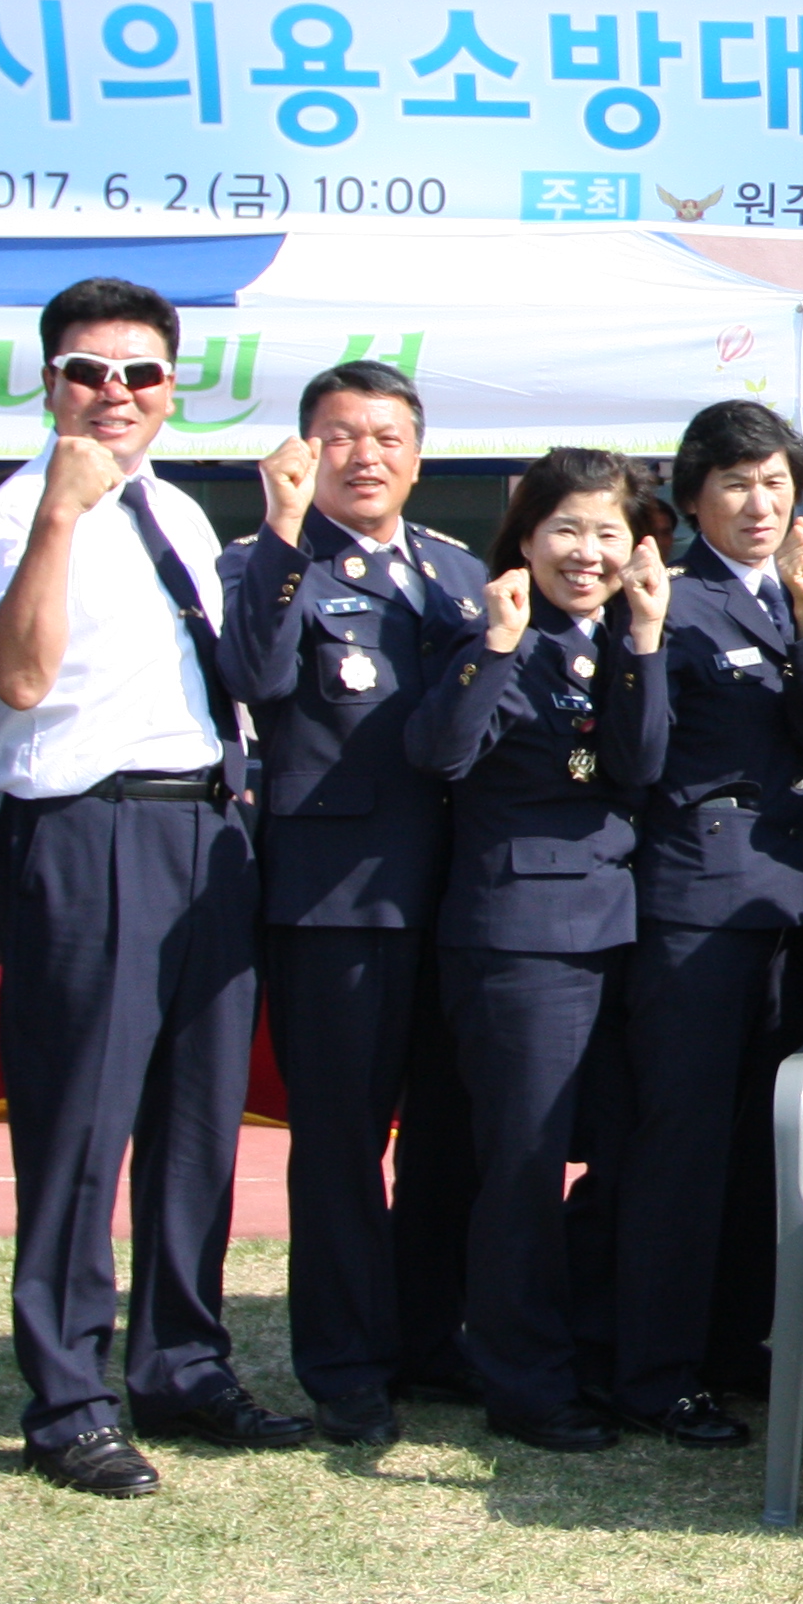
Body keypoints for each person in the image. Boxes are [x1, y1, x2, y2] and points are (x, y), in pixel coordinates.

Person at [0, 277, 306, 1496]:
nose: (116, 393)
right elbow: (16, 683)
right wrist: (61, 517)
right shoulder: (12, 516)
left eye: (140, 373)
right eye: (89, 372)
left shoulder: (182, 513)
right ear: (48, 383)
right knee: (80, 1129)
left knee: (199, 1126)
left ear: (171, 388)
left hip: (205, 833)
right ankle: (67, 1401)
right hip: (87, 829)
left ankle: (181, 1365)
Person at [218, 358, 493, 1449]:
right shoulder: (269, 561)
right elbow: (255, 678)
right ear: (305, 450)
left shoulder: (460, 573)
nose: (365, 455)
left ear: (418, 456)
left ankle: (428, 1337)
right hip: (336, 900)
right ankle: (344, 1362)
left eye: (387, 437)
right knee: (339, 1143)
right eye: (341, 435)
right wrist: (283, 536)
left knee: (446, 1138)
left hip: (461, 897)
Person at [409, 448, 675, 1452]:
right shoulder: (498, 635)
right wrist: (496, 646)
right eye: (566, 529)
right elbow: (438, 753)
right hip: (518, 939)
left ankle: (587, 1354)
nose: (587, 552)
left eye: (609, 532)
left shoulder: (618, 637)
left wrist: (645, 638)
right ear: (524, 539)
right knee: (523, 1171)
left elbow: (639, 766)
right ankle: (522, 1383)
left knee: (614, 1156)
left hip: (616, 928)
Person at [603, 401, 803, 1450]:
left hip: (791, 902)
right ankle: (653, 1372)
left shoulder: (801, 592)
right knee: (683, 1145)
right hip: (697, 904)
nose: (760, 503)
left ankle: (732, 1342)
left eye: (777, 484)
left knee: (761, 1146)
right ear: (694, 495)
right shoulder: (670, 595)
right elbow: (641, 754)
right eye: (737, 484)